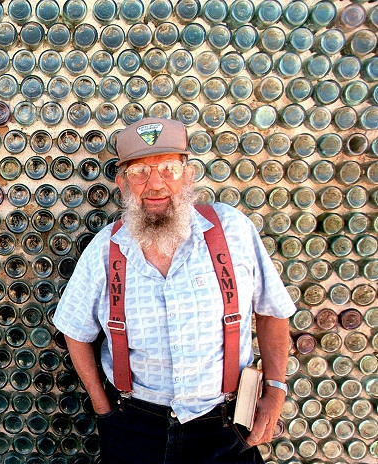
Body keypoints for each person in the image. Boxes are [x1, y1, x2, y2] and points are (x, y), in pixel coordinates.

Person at [53, 118, 295, 464]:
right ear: (122, 183)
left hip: (226, 426)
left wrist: (275, 390)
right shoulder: (105, 250)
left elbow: (273, 310)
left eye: (169, 168)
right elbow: (75, 332)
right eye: (139, 172)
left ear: (189, 174)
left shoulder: (232, 231)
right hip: (135, 428)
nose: (155, 184)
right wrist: (103, 408)